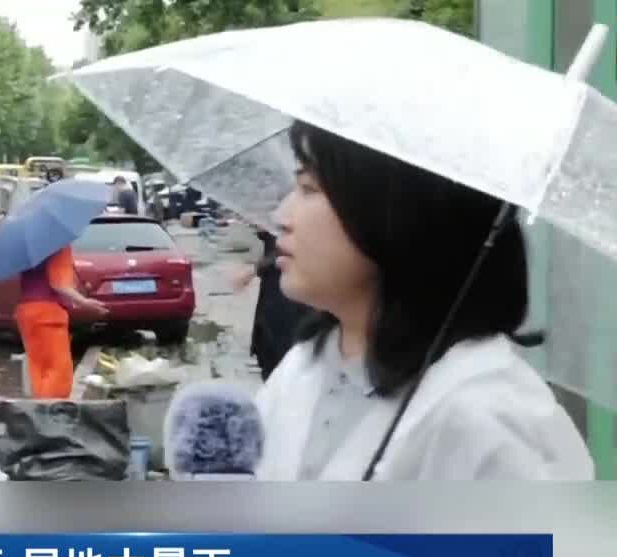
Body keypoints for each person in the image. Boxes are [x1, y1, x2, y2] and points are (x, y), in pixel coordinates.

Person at [254, 120, 594, 480]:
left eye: (309, 188)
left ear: (392, 212)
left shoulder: (485, 417)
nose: (282, 218)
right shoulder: (308, 363)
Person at [16, 246, 108, 399]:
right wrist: (84, 301)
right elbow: (58, 283)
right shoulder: (58, 245)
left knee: (39, 369)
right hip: (48, 313)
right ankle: (51, 413)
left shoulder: (27, 246)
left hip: (27, 311)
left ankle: (39, 412)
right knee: (58, 372)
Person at [232, 228, 316, 380]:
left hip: (291, 303)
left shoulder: (297, 216)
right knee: (269, 357)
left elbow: (290, 248)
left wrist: (254, 270)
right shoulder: (275, 221)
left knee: (287, 363)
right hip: (272, 302)